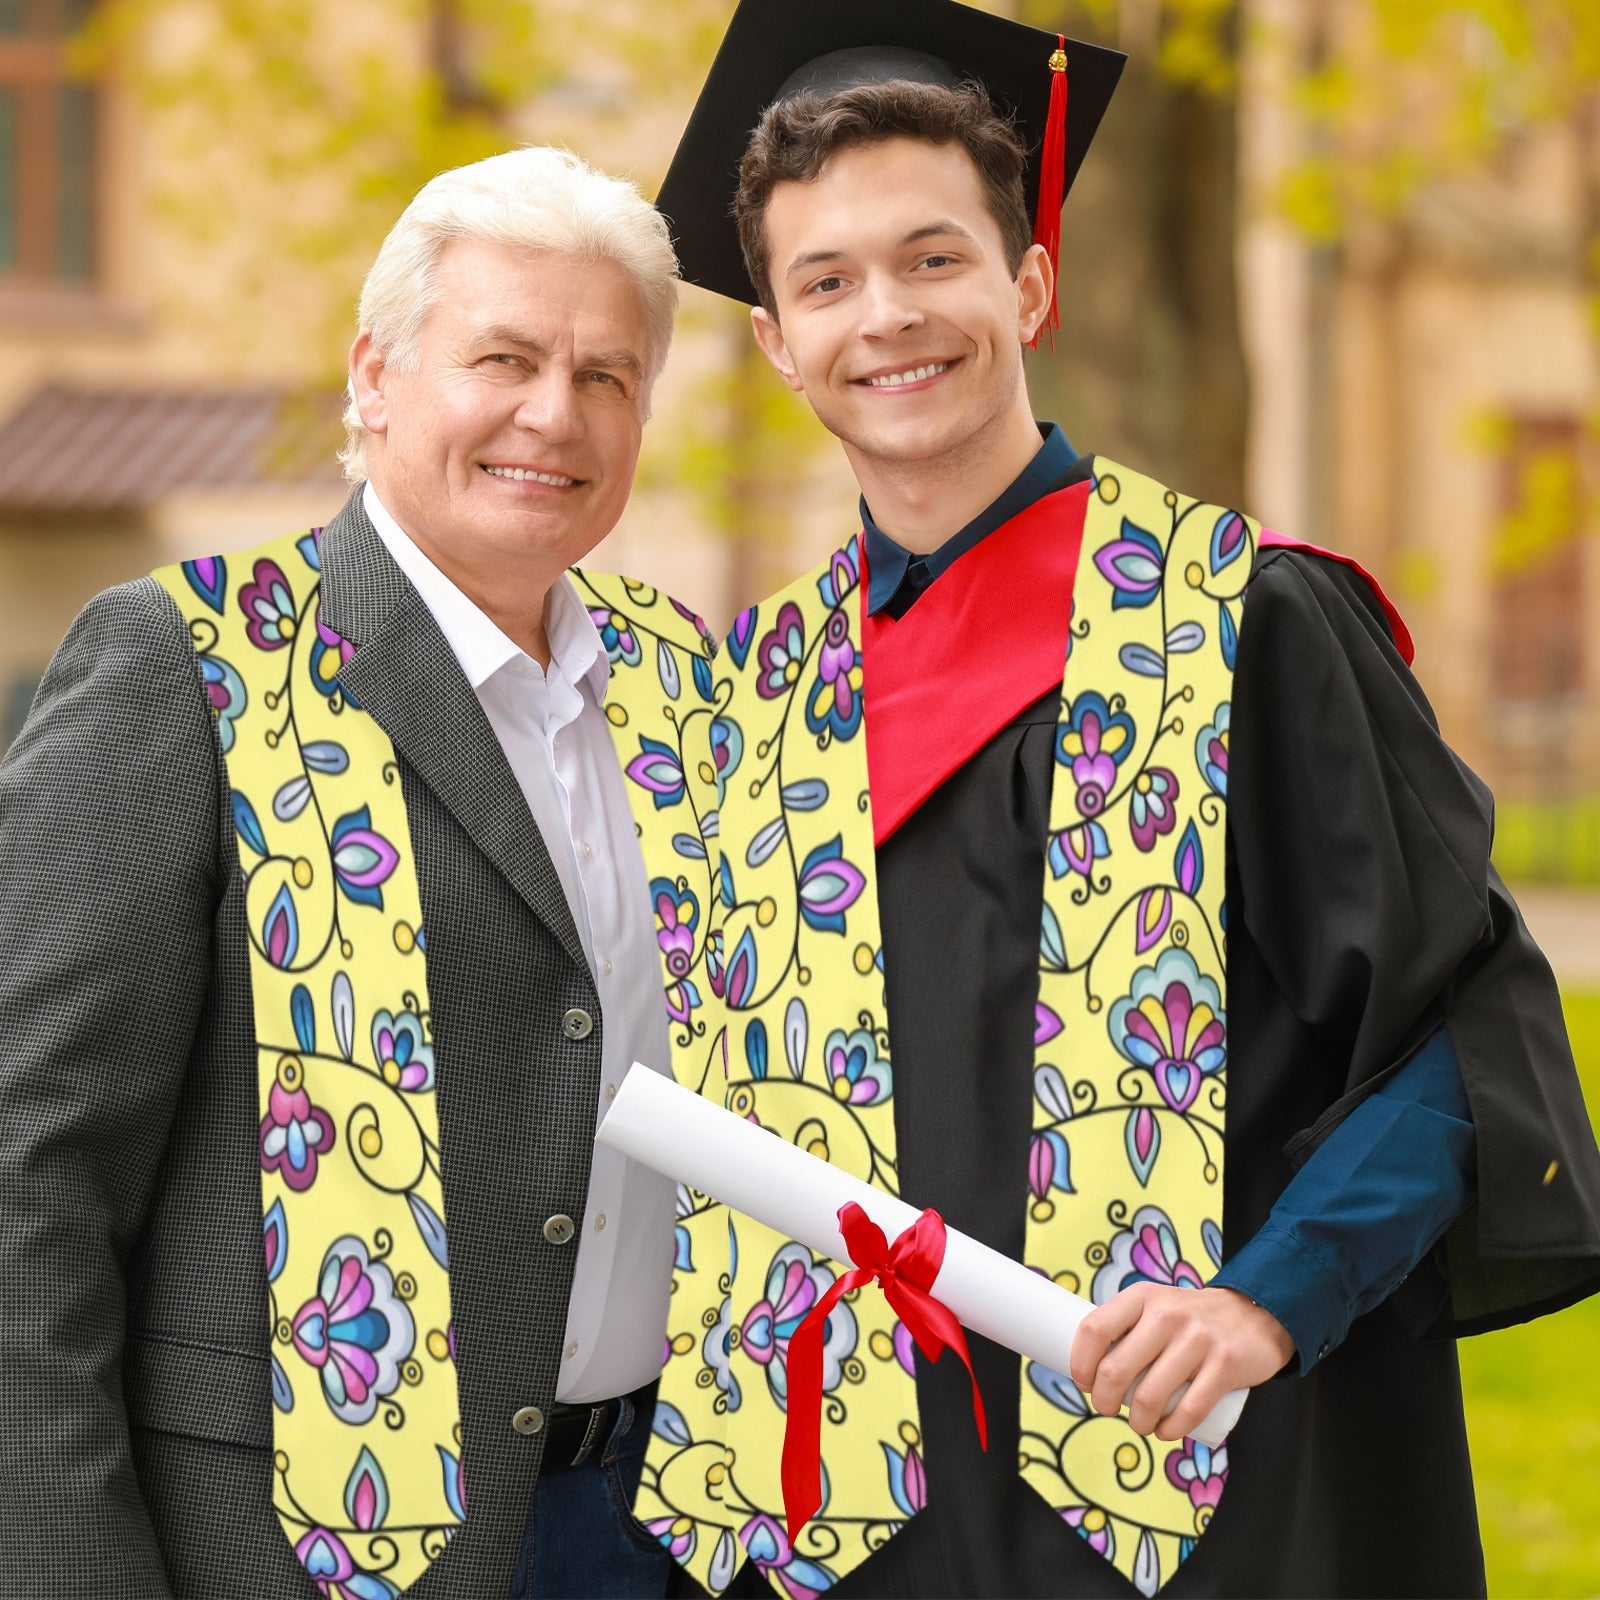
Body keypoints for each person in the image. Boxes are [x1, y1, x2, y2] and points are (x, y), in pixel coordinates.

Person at [631, 2, 1600, 1596]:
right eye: (828, 281)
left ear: (1029, 284)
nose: (888, 315)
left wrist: (1269, 1299)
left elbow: (1463, 1034)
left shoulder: (1244, 624)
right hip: (856, 1525)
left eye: (934, 258)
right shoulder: (757, 700)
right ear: (779, 343)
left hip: (1201, 1496)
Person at [0, 147, 724, 1599]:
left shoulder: (683, 685)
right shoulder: (186, 663)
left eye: (605, 375)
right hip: (289, 1548)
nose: (554, 413)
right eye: (504, 358)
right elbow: (31, 1170)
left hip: (653, 1526)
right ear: (376, 377)